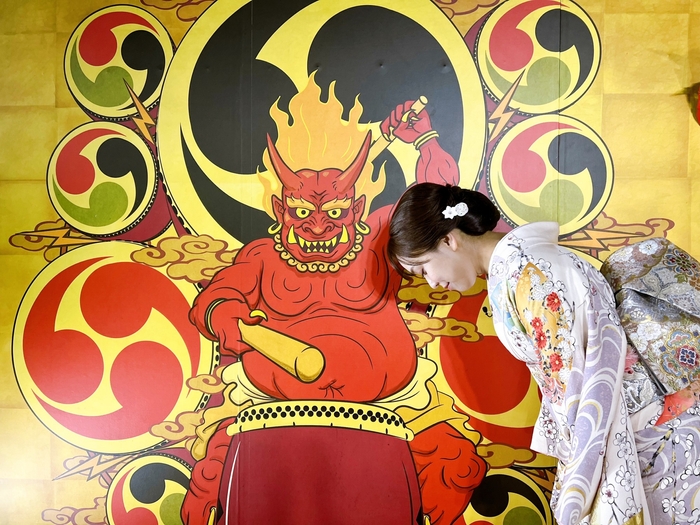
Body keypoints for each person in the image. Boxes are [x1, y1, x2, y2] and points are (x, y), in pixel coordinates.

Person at [388, 182, 700, 525]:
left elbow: (575, 372)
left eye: (423, 269)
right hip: (640, 417)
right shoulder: (518, 269)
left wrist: (579, 472)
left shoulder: (530, 271)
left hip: (655, 424)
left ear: (449, 240)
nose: (431, 283)